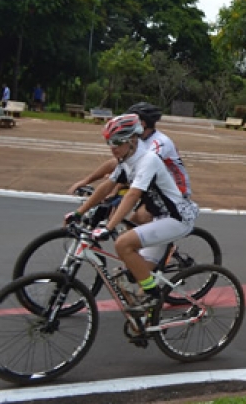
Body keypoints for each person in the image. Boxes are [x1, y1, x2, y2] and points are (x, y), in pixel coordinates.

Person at [64, 114, 198, 311]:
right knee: (128, 275)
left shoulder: (148, 160)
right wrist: (78, 213)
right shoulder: (126, 160)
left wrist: (109, 228)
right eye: (109, 142)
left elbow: (133, 195)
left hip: (176, 218)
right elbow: (107, 185)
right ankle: (142, 317)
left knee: (123, 244)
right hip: (159, 218)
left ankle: (153, 296)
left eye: (118, 142)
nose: (113, 147)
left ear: (133, 139)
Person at [67, 102, 192, 212]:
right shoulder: (137, 140)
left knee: (138, 217)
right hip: (151, 185)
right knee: (114, 209)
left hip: (174, 190)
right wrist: (86, 181)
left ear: (142, 124)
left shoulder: (159, 143)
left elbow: (144, 171)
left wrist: (114, 189)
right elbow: (115, 163)